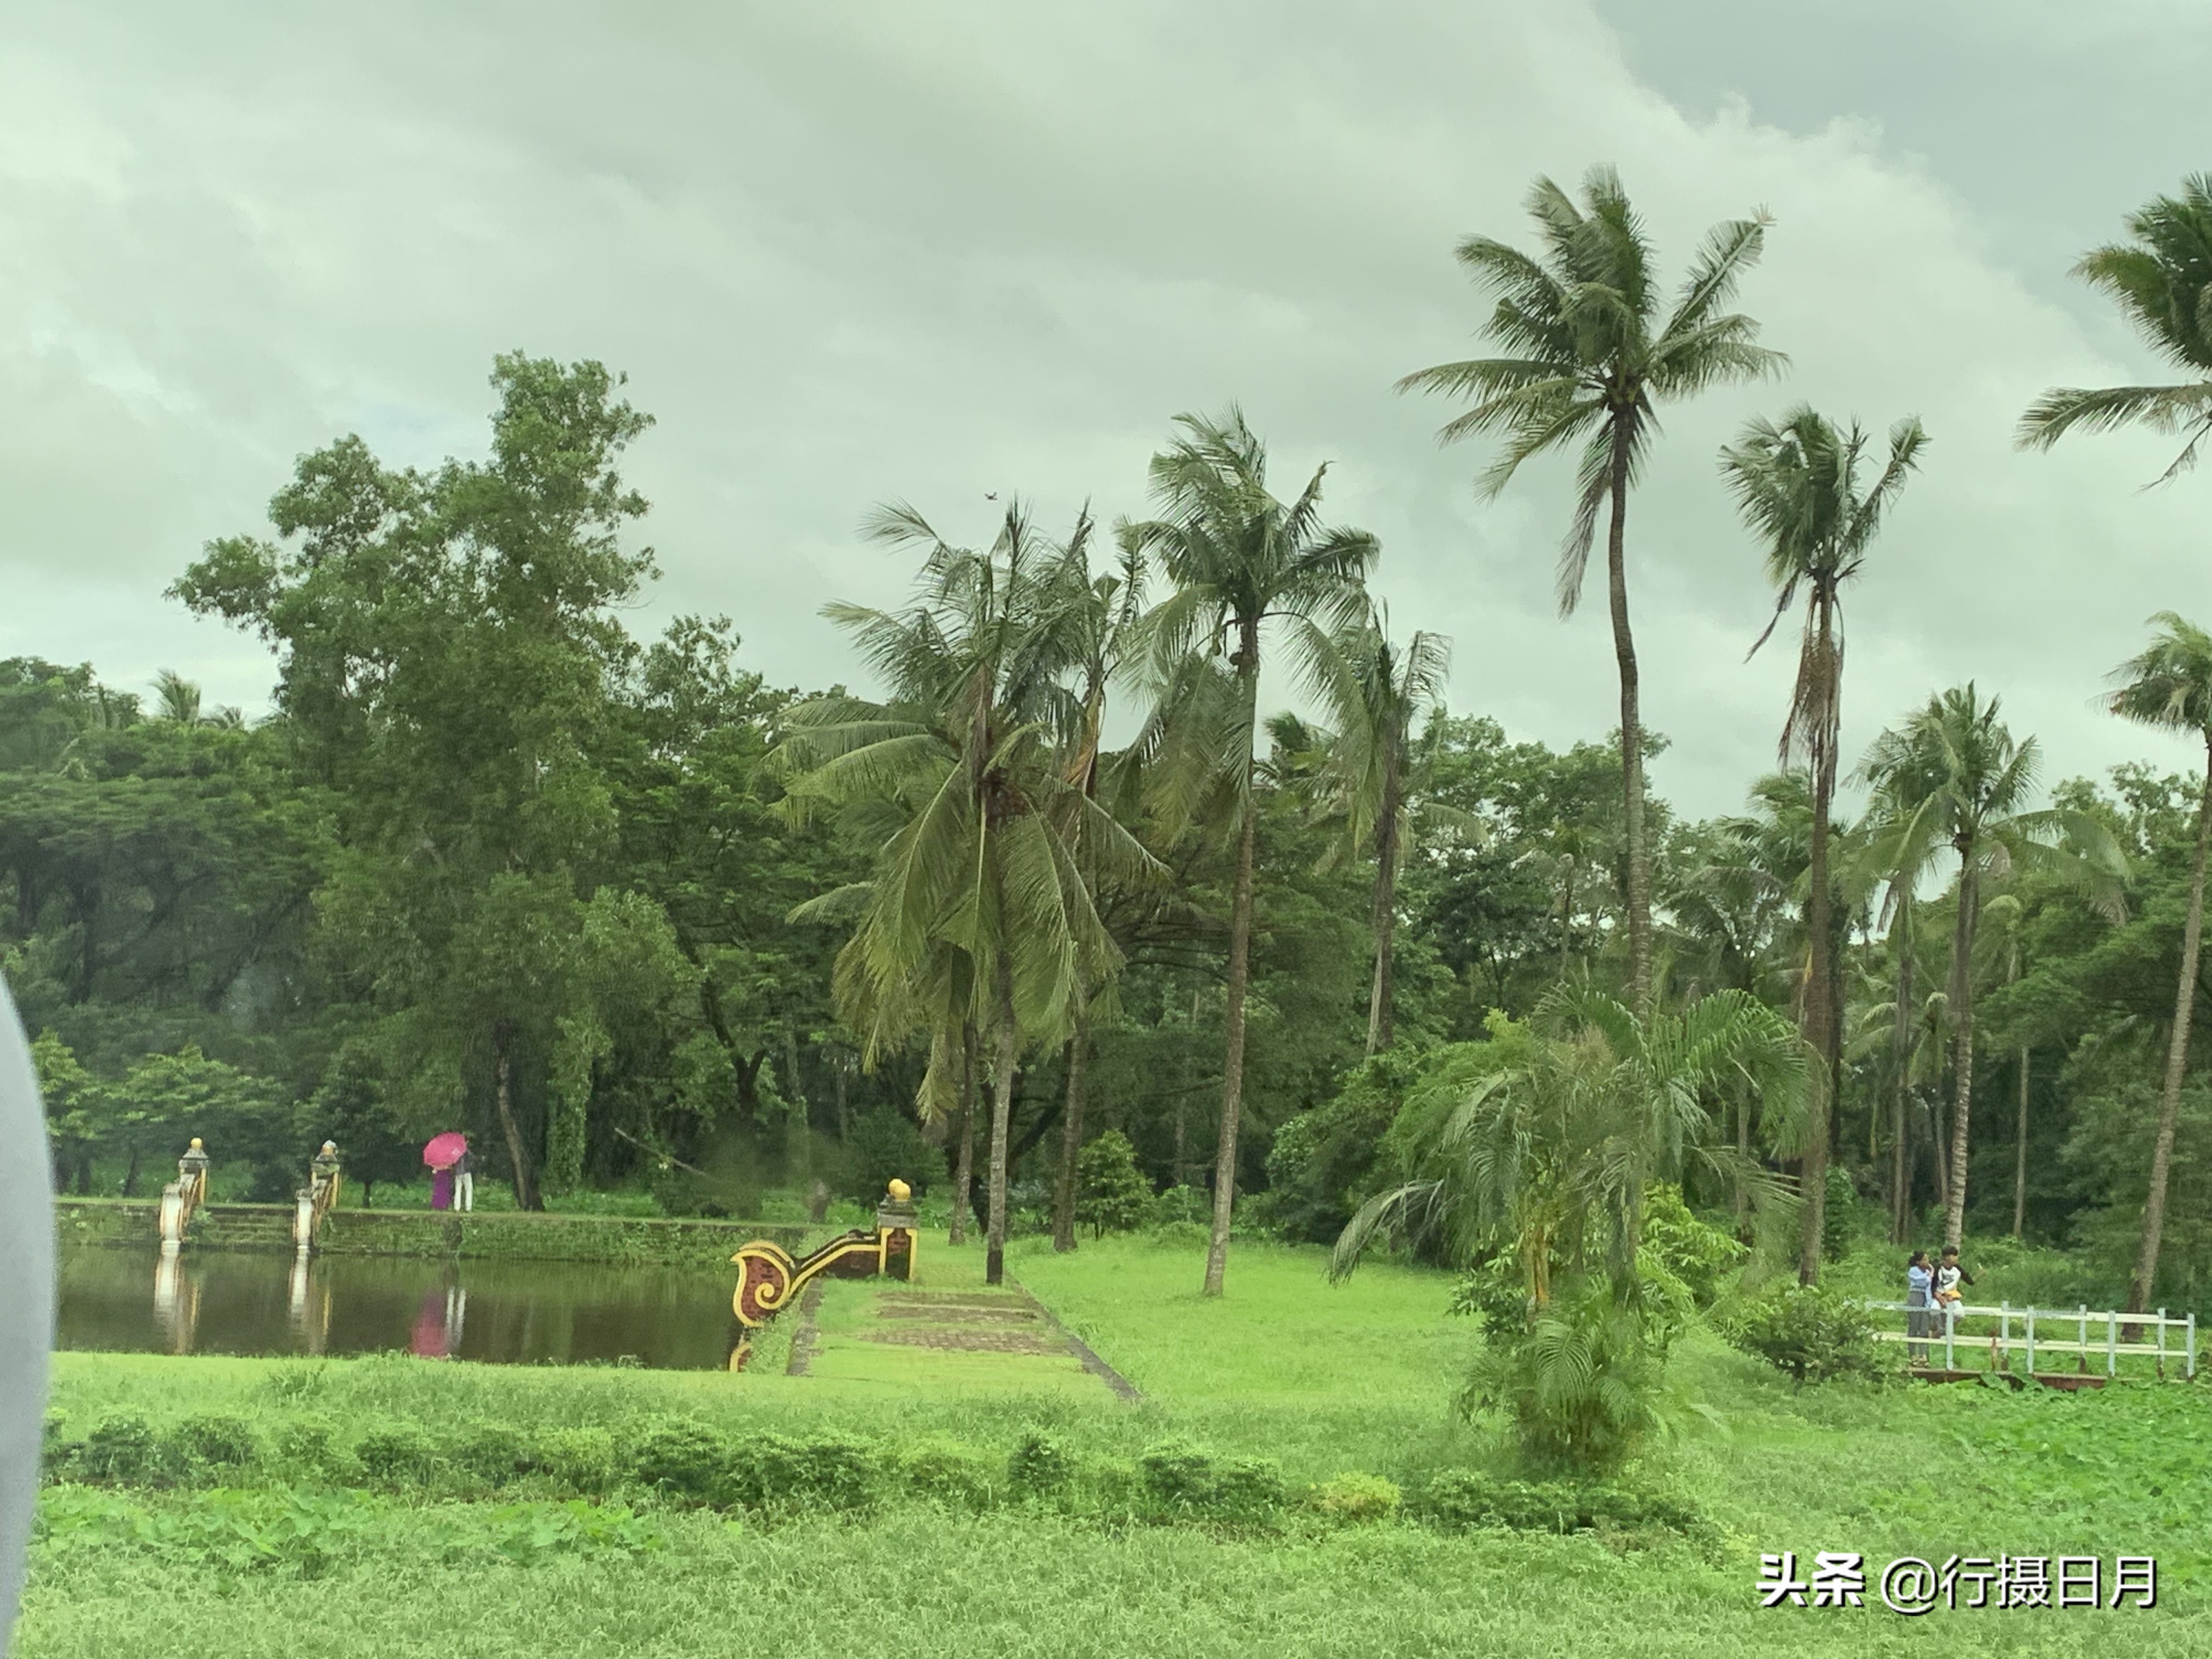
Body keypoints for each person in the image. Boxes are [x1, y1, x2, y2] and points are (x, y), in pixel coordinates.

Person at [1905, 1250, 1933, 1363]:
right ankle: (1913, 1355)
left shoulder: (1929, 1271)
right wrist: (1928, 1274)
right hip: (1916, 1296)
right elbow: (1920, 1281)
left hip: (1926, 1298)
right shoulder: (1914, 1271)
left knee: (1924, 1328)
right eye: (1925, 1260)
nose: (1927, 1262)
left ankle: (1924, 1355)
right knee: (1914, 1326)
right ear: (1918, 1262)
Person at [452, 1143, 473, 1214]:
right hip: (466, 1172)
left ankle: (457, 1208)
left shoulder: (455, 1152)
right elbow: (472, 1158)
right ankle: (468, 1208)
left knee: (458, 1190)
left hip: (458, 1173)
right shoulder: (466, 1151)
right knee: (468, 1190)